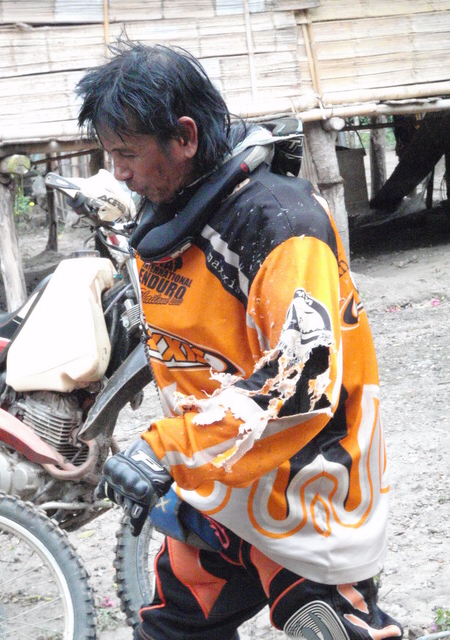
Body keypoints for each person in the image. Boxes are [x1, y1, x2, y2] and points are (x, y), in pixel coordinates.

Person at [76, 40, 404, 640]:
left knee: (331, 630)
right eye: (110, 154)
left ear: (185, 137)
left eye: (126, 154)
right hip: (220, 492)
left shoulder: (279, 225)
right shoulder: (171, 212)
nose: (118, 172)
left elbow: (302, 380)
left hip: (304, 488)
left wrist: (165, 450)